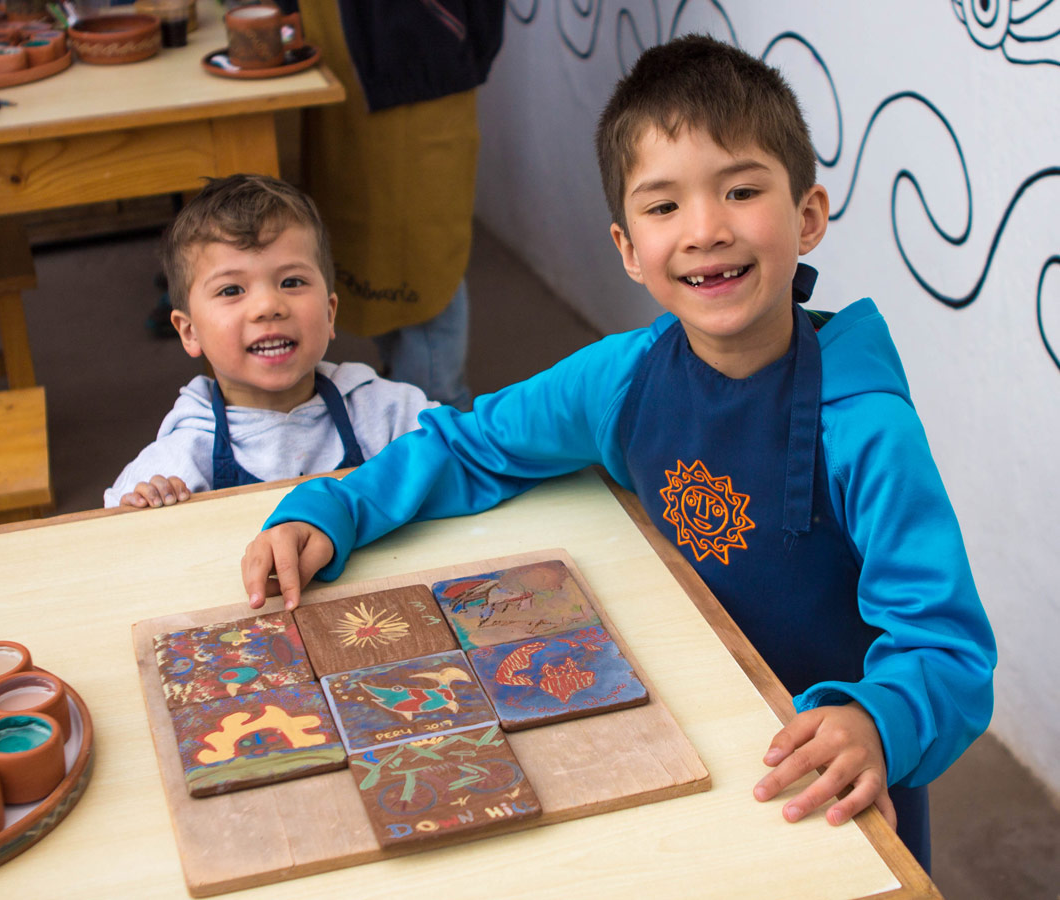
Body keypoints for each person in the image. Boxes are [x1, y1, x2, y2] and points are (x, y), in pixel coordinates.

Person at [239, 37, 996, 869]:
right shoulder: (620, 377)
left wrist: (879, 722)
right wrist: (335, 505)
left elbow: (946, 650)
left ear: (807, 216)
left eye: (741, 190)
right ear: (629, 248)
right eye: (663, 206)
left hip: (823, 780)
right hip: (681, 741)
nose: (705, 229)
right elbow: (473, 442)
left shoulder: (865, 426)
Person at [104, 175, 437, 509]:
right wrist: (137, 512)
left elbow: (467, 454)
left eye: (292, 282)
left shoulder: (388, 413)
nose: (268, 307)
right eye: (231, 290)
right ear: (190, 331)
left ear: (329, 313)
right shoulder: (182, 455)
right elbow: (109, 540)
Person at [298, 1, 505, 411]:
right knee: (366, 240)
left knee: (424, 248)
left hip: (419, 51)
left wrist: (452, 35)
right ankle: (401, 389)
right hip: (337, 57)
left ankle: (437, 413)